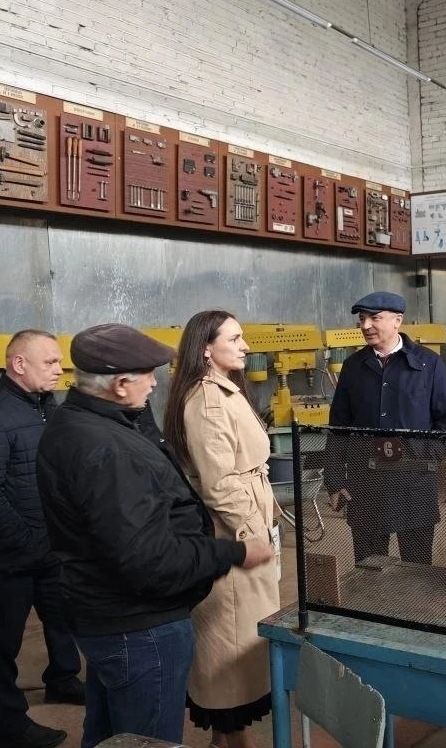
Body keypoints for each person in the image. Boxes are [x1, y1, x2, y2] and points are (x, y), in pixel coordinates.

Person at [35, 324, 273, 748]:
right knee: (148, 739)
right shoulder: (107, 448)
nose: (155, 383)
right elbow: (148, 560)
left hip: (103, 613)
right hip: (138, 626)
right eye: (147, 374)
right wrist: (232, 553)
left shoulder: (77, 422)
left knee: (110, 734)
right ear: (120, 384)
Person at [0, 329, 83, 748]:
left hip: (50, 546)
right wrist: (29, 541)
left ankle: (62, 680)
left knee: (62, 620)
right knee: (1, 642)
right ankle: (8, 725)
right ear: (19, 364)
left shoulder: (45, 406)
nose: (59, 370)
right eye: (50, 362)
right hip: (7, 556)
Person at [162, 311, 280, 748]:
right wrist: (253, 536)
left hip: (246, 524)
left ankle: (228, 738)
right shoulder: (207, 401)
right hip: (232, 536)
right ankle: (232, 739)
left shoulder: (224, 391)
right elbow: (220, 484)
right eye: (235, 338)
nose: (245, 345)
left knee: (241, 641)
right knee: (230, 642)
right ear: (206, 348)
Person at [326, 291, 446, 564]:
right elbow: (338, 427)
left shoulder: (428, 364)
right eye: (362, 319)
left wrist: (425, 456)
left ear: (397, 320)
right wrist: (335, 480)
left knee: (417, 565)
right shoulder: (353, 367)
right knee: (369, 565)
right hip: (366, 483)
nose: (365, 326)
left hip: (414, 481)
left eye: (374, 318)